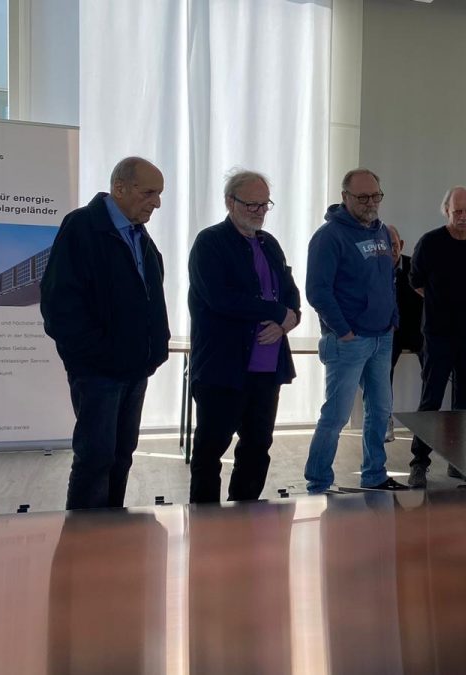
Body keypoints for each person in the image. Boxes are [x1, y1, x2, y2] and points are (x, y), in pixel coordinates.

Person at [39, 156, 171, 510]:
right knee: (95, 459)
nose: (157, 202)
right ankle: (83, 538)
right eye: (149, 193)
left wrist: (155, 349)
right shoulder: (82, 227)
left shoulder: (139, 234)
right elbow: (59, 307)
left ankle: (112, 532)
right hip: (98, 372)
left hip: (135, 369)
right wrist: (98, 355)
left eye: (159, 194)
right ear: (119, 188)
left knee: (121, 455)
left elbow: (149, 296)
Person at [186, 169, 301, 503]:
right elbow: (220, 298)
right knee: (210, 448)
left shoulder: (270, 244)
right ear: (229, 202)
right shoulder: (210, 242)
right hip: (223, 367)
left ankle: (245, 515)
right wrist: (276, 312)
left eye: (264, 204)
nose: (259, 211)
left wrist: (287, 321)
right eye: (251, 204)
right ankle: (205, 519)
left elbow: (290, 294)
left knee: (257, 446)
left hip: (266, 368)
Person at [304, 168, 407, 493]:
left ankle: (374, 475)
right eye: (362, 197)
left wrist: (392, 318)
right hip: (348, 341)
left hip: (382, 337)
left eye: (376, 196)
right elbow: (317, 291)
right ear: (344, 197)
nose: (370, 203)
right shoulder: (329, 237)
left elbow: (387, 279)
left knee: (380, 411)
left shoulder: (381, 231)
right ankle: (318, 483)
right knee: (336, 415)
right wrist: (343, 331)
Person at [408, 186, 466, 487]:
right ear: (446, 210)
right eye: (458, 211)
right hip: (438, 334)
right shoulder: (430, 242)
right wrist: (440, 304)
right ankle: (419, 461)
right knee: (430, 398)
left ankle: (460, 461)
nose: (463, 216)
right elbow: (416, 281)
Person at [385, 224, 423, 442]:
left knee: (434, 367)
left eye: (394, 245)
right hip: (389, 331)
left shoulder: (414, 266)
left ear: (401, 245)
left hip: (416, 329)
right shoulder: (374, 268)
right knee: (382, 370)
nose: (391, 250)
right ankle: (385, 419)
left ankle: (426, 423)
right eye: (385, 245)